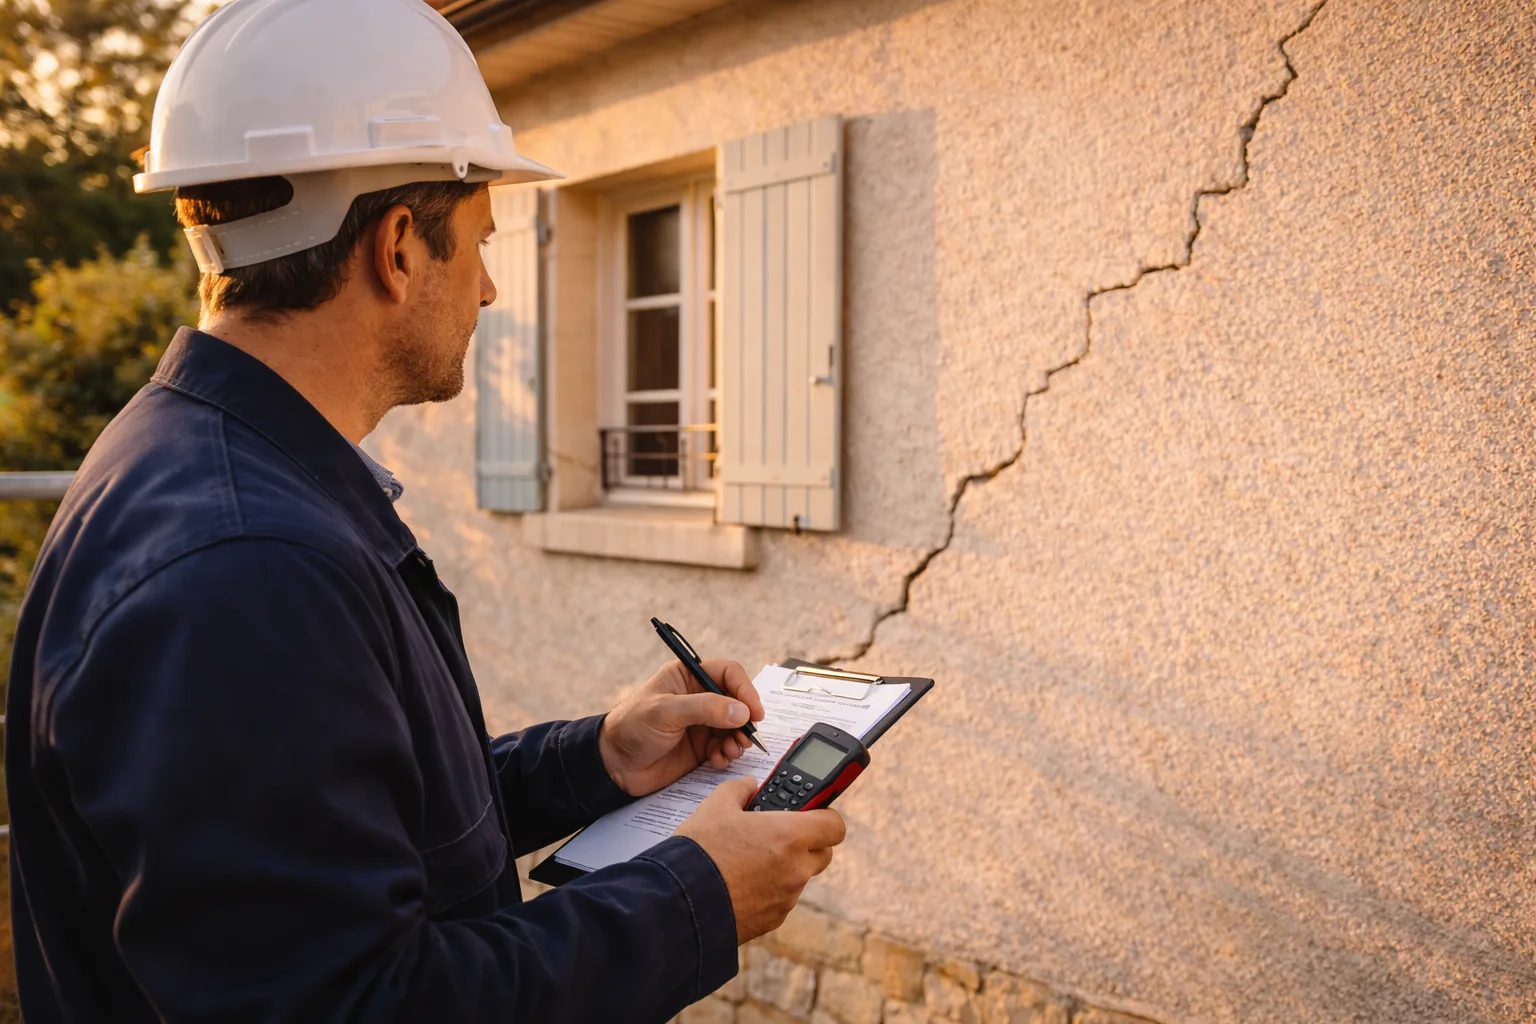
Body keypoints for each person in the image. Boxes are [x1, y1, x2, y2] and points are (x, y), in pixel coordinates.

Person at [3, 0, 846, 1020]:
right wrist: (695, 897)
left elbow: (344, 833)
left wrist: (593, 759)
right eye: (481, 242)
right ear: (399, 247)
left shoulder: (212, 472)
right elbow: (356, 1003)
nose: (489, 288)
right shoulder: (246, 565)